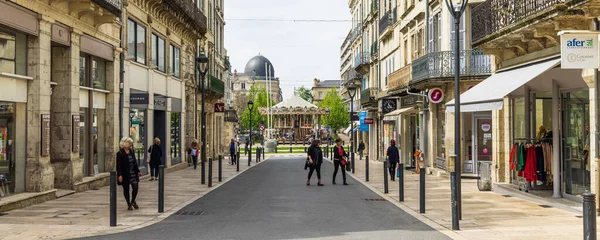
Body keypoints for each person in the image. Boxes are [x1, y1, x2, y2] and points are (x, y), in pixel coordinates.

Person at [116, 137, 142, 210]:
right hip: (125, 174)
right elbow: (118, 165)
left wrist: (138, 171)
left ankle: (132, 201)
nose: (131, 144)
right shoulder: (120, 153)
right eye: (130, 143)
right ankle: (128, 203)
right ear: (126, 144)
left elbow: (135, 162)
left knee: (135, 187)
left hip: (133, 172)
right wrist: (120, 175)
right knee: (126, 189)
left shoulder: (132, 151)